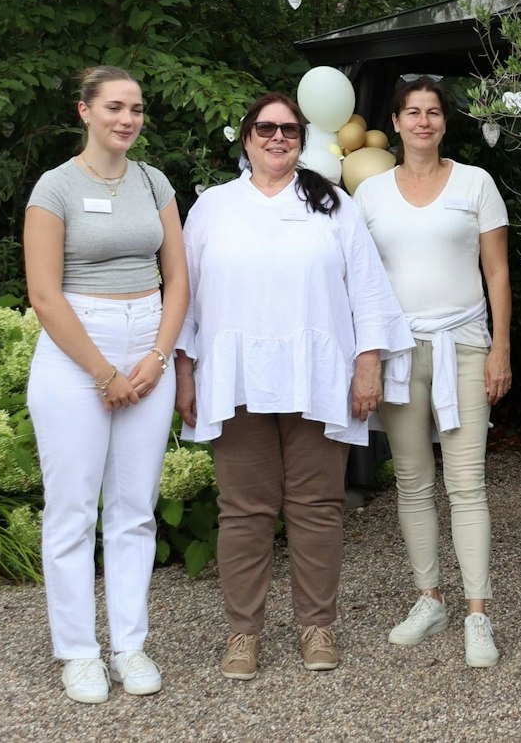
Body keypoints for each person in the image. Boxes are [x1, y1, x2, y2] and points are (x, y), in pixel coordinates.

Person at [172, 92, 412, 680]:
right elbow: (185, 292)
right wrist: (183, 368)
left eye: (289, 129)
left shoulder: (333, 204)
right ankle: (242, 634)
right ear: (246, 136)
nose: (277, 137)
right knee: (244, 510)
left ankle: (316, 624)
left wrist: (368, 362)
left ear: (301, 139)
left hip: (317, 375)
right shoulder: (212, 207)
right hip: (236, 380)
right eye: (265, 127)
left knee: (317, 508)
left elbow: (368, 288)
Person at [23, 65, 189, 705]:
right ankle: (78, 652)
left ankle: (129, 646)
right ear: (84, 112)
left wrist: (156, 356)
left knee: (134, 511)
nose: (128, 119)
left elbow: (178, 277)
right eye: (115, 107)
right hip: (77, 350)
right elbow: (42, 292)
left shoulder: (154, 182)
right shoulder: (54, 188)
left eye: (137, 109)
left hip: (147, 342)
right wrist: (104, 373)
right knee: (71, 512)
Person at [354, 75, 513, 668]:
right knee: (413, 481)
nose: (423, 121)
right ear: (394, 122)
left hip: (465, 345)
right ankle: (429, 599)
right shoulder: (369, 195)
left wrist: (500, 348)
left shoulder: (475, 183)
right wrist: (365, 356)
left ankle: (478, 612)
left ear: (445, 122)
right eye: (412, 112)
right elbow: (362, 283)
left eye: (433, 112)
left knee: (466, 483)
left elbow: (497, 273)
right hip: (399, 354)